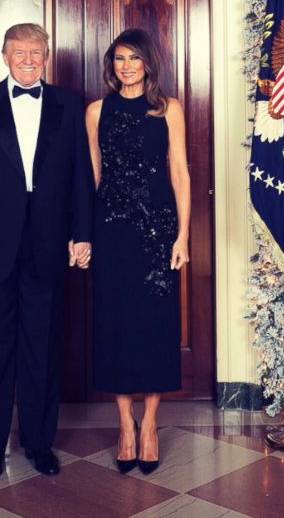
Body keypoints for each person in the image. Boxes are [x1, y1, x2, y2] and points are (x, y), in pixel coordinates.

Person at [0, 23, 94, 482]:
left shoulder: (69, 105)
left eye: (36, 52)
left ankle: (38, 443)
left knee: (41, 349)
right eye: (19, 52)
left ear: (47, 56)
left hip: (48, 246)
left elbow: (81, 178)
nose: (28, 60)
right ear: (4, 56)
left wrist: (82, 233)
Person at [86, 27, 191, 475]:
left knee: (154, 327)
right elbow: (91, 178)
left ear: (149, 62)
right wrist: (85, 235)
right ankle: (123, 426)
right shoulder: (95, 111)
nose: (126, 66)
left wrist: (183, 236)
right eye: (119, 59)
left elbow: (180, 175)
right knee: (116, 327)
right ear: (112, 64)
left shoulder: (168, 110)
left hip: (157, 235)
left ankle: (149, 424)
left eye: (134, 58)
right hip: (111, 232)